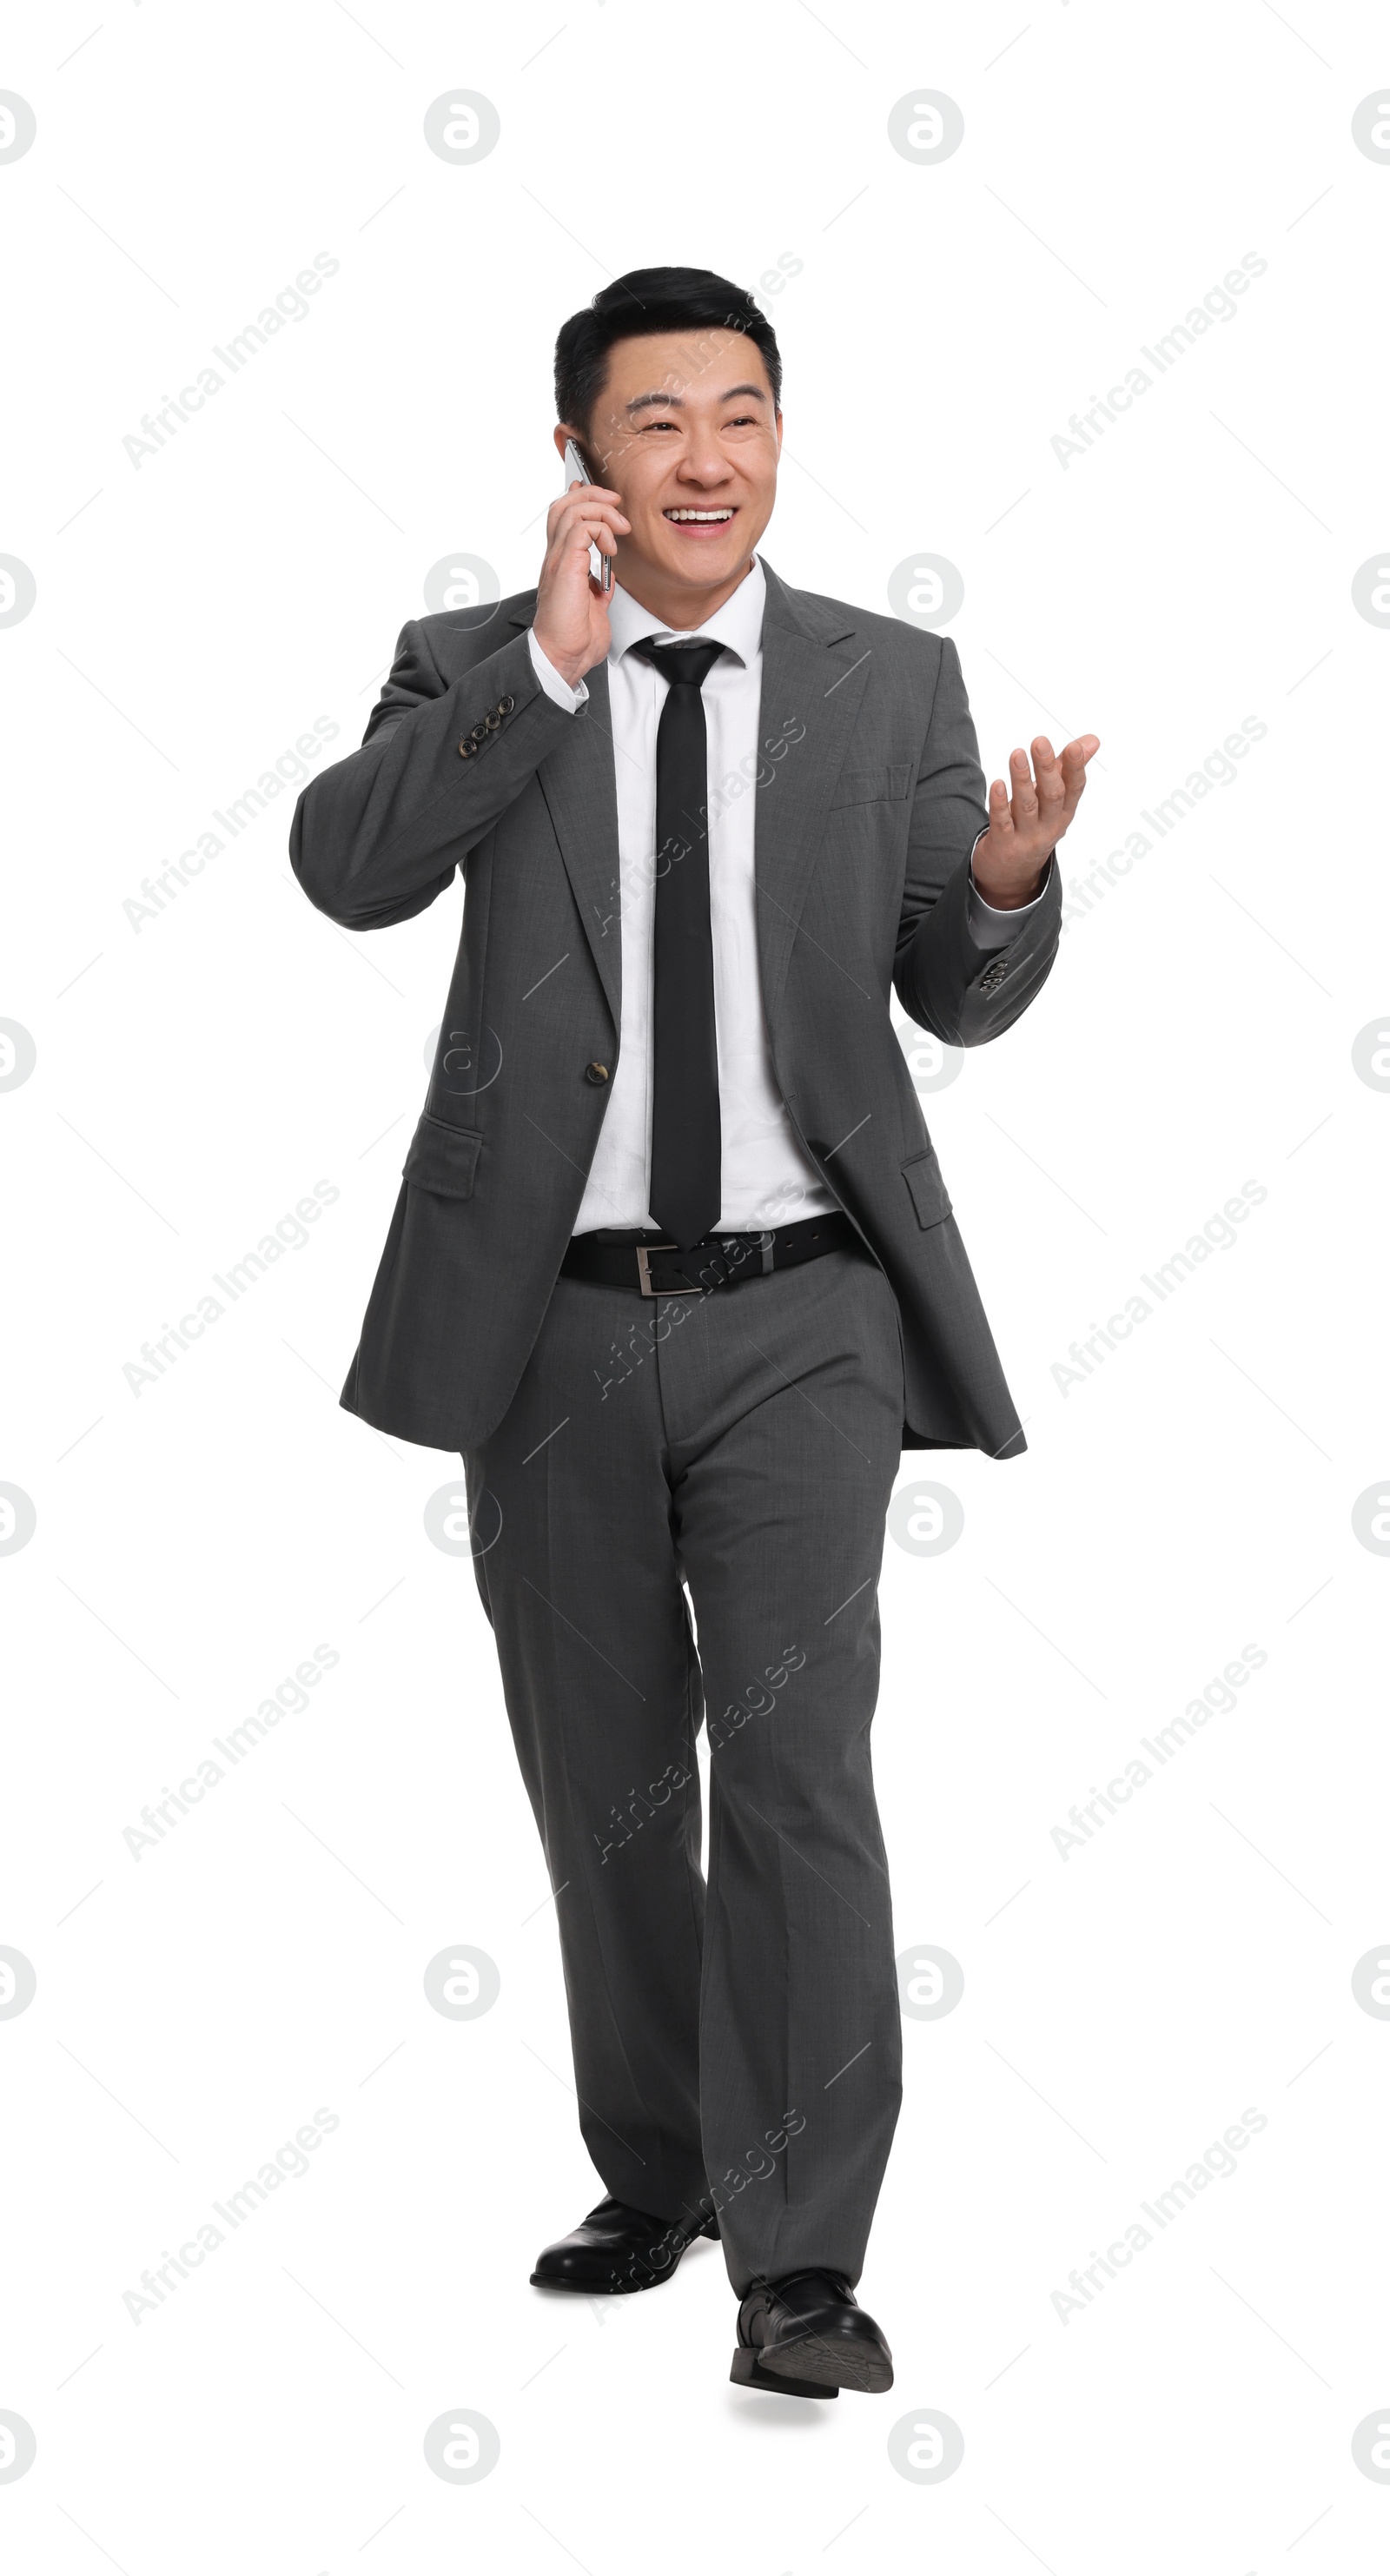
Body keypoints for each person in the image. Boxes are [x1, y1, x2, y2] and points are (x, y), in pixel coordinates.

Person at [290, 265, 1097, 2401]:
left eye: (741, 413)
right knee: (609, 1786)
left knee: (799, 1773)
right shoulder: (471, 664)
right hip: (546, 1333)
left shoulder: (882, 678)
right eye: (656, 422)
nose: (707, 458)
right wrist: (542, 676)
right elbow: (343, 871)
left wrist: (1002, 889)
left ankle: (800, 2262)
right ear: (576, 457)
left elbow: (950, 986)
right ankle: (659, 2170)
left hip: (802, 1315)